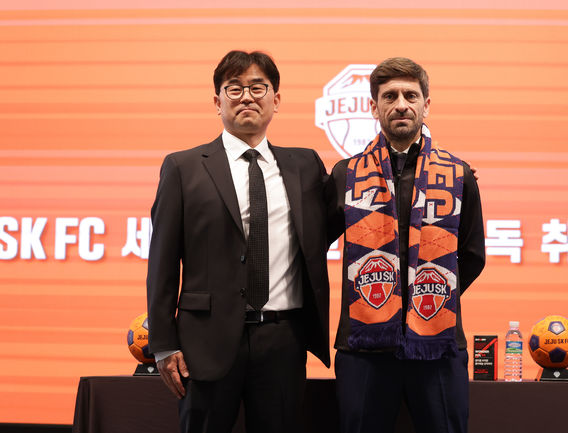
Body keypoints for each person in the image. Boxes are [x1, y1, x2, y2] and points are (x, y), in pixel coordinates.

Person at [146, 50, 330, 433]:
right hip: (205, 342)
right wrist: (163, 343)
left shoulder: (305, 166)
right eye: (234, 88)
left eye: (258, 88)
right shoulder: (183, 168)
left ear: (276, 100)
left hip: (283, 340)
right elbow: (162, 262)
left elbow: (347, 208)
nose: (247, 96)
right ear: (218, 102)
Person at [326, 57, 486, 433]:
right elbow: (312, 247)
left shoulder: (458, 174)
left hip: (438, 345)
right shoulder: (345, 174)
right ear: (374, 107)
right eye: (390, 96)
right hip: (363, 346)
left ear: (425, 105)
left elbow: (473, 255)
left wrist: (426, 297)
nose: (401, 104)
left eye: (410, 95)